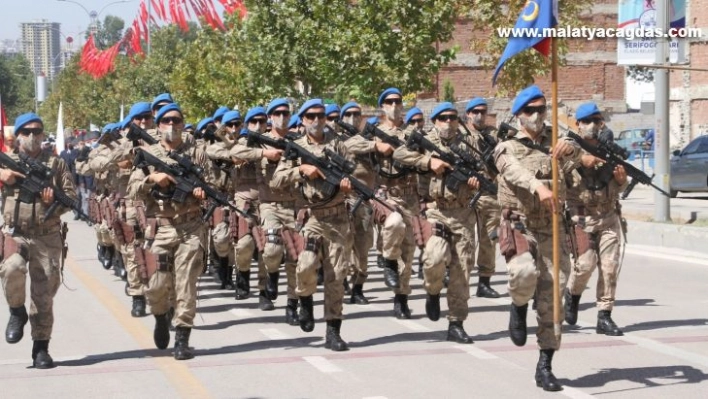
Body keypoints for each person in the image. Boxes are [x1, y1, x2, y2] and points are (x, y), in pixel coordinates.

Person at [493, 85, 581, 391]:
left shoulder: (557, 143)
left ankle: (545, 366)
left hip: (552, 228)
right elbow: (512, 171)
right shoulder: (506, 146)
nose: (536, 115)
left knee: (553, 298)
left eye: (541, 109)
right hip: (520, 225)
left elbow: (579, 169)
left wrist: (572, 151)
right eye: (530, 110)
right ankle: (518, 305)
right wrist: (538, 186)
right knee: (523, 272)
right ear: (518, 115)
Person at [128, 103, 210, 360]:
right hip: (160, 229)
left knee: (186, 285)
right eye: (166, 121)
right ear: (158, 125)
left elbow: (217, 183)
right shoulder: (148, 154)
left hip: (190, 227)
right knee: (155, 284)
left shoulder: (197, 154)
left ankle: (182, 338)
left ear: (183, 124)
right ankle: (161, 316)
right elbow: (131, 190)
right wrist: (151, 179)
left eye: (176, 121)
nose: (172, 126)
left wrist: (202, 191)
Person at [271, 99, 354, 350]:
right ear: (303, 119)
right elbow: (276, 180)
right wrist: (301, 170)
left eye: (321, 116)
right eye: (310, 116)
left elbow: (352, 171)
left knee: (336, 276)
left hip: (338, 217)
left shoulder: (338, 144)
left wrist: (348, 184)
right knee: (306, 265)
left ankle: (333, 330)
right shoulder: (295, 147)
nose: (317, 121)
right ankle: (304, 298)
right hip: (313, 217)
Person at [0, 112, 77, 368]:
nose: (32, 136)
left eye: (37, 131)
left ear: (43, 135)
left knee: (43, 296)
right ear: (18, 136)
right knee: (11, 269)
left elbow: (70, 198)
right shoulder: (7, 162)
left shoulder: (55, 164)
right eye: (27, 131)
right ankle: (16, 311)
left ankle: (41, 348)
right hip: (16, 233)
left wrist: (51, 203)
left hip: (47, 236)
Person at [564, 102, 627, 337]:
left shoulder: (608, 149)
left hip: (608, 215)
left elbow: (618, 186)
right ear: (578, 124)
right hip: (580, 215)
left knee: (610, 267)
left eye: (597, 121)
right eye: (587, 121)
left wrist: (621, 181)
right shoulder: (567, 146)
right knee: (585, 265)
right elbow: (557, 168)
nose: (592, 125)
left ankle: (604, 315)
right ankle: (572, 294)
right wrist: (582, 159)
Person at [464, 97, 501, 298]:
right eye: (475, 111)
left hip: (490, 193)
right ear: (468, 114)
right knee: (466, 240)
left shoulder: (493, 135)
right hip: (468, 194)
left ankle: (484, 282)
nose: (479, 115)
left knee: (489, 239)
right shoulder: (460, 134)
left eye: (483, 112)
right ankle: (461, 280)